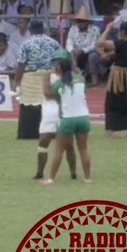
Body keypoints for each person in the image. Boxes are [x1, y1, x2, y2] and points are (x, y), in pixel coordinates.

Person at [42, 51, 93, 185]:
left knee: (59, 150)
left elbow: (47, 93)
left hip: (68, 119)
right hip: (83, 117)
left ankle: (51, 178)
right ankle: (87, 178)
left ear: (59, 68)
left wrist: (46, 78)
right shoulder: (81, 79)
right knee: (84, 149)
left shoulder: (59, 84)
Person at [14, 19, 62, 142]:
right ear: (44, 29)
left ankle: (29, 133)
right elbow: (61, 61)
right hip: (50, 76)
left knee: (29, 106)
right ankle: (52, 132)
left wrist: (17, 81)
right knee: (50, 104)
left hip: (31, 76)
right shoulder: (54, 43)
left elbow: (21, 64)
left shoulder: (26, 44)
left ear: (30, 30)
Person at [99, 18, 127, 137]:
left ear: (123, 32)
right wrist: (109, 54)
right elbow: (123, 52)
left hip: (119, 77)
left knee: (113, 102)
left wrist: (107, 29)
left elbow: (100, 43)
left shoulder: (120, 43)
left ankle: (110, 132)